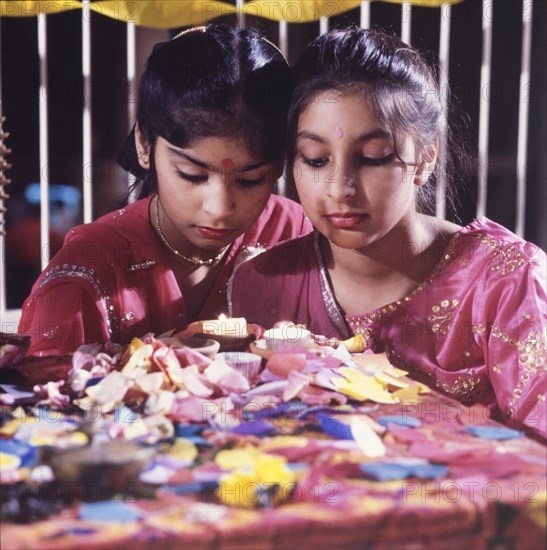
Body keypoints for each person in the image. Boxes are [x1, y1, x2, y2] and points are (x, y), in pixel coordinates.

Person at [230, 27, 546, 438]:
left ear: (426, 158)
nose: (341, 187)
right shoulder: (260, 286)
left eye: (373, 158)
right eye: (316, 159)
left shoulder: (504, 282)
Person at [19, 24, 312, 356]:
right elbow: (46, 400)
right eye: (191, 174)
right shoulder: (86, 277)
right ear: (145, 144)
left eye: (251, 180)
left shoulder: (293, 234)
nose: (220, 208)